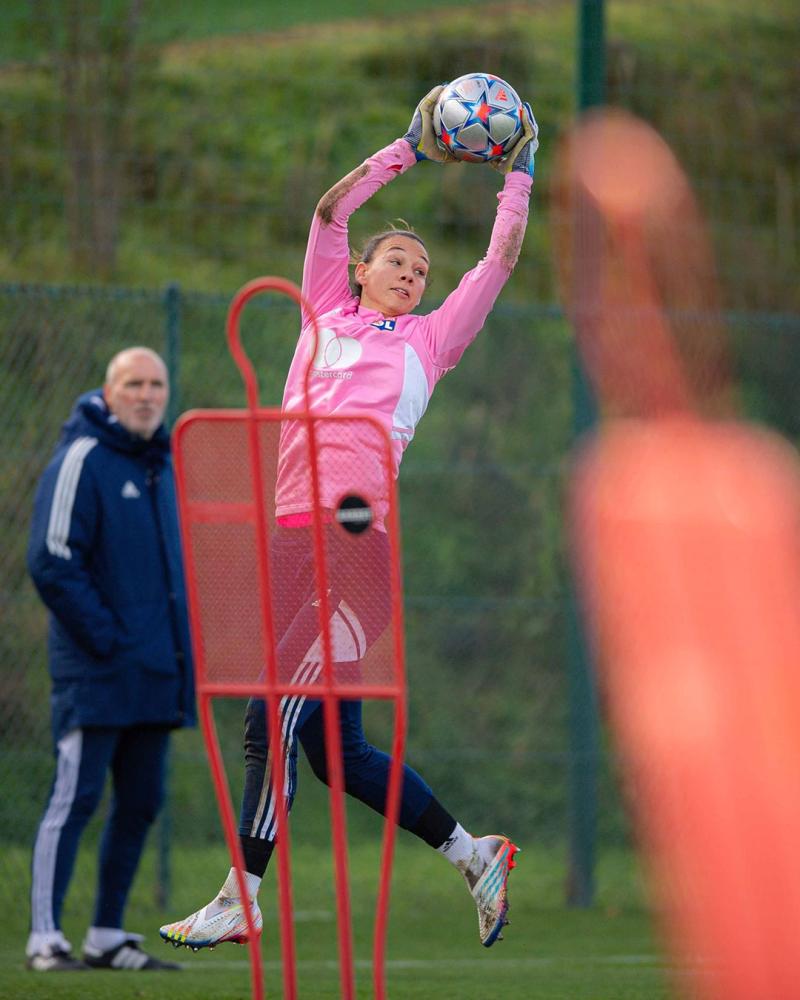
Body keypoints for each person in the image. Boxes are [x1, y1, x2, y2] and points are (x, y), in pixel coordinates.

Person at [159, 83, 538, 952]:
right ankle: (472, 852)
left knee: (272, 717)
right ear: (360, 270)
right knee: (336, 755)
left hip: (356, 548)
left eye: (422, 269)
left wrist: (518, 172)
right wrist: (406, 147)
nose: (413, 273)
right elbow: (331, 210)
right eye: (398, 259)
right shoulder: (323, 311)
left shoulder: (431, 344)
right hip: (293, 543)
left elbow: (501, 260)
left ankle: (241, 895)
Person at [25, 347, 196, 972]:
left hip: (156, 673)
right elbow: (51, 559)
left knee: (142, 801)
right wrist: (108, 639)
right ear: (108, 391)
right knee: (76, 798)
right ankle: (45, 937)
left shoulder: (167, 465)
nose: (147, 395)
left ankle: (106, 935)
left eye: (156, 384)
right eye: (134, 384)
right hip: (95, 671)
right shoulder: (82, 458)